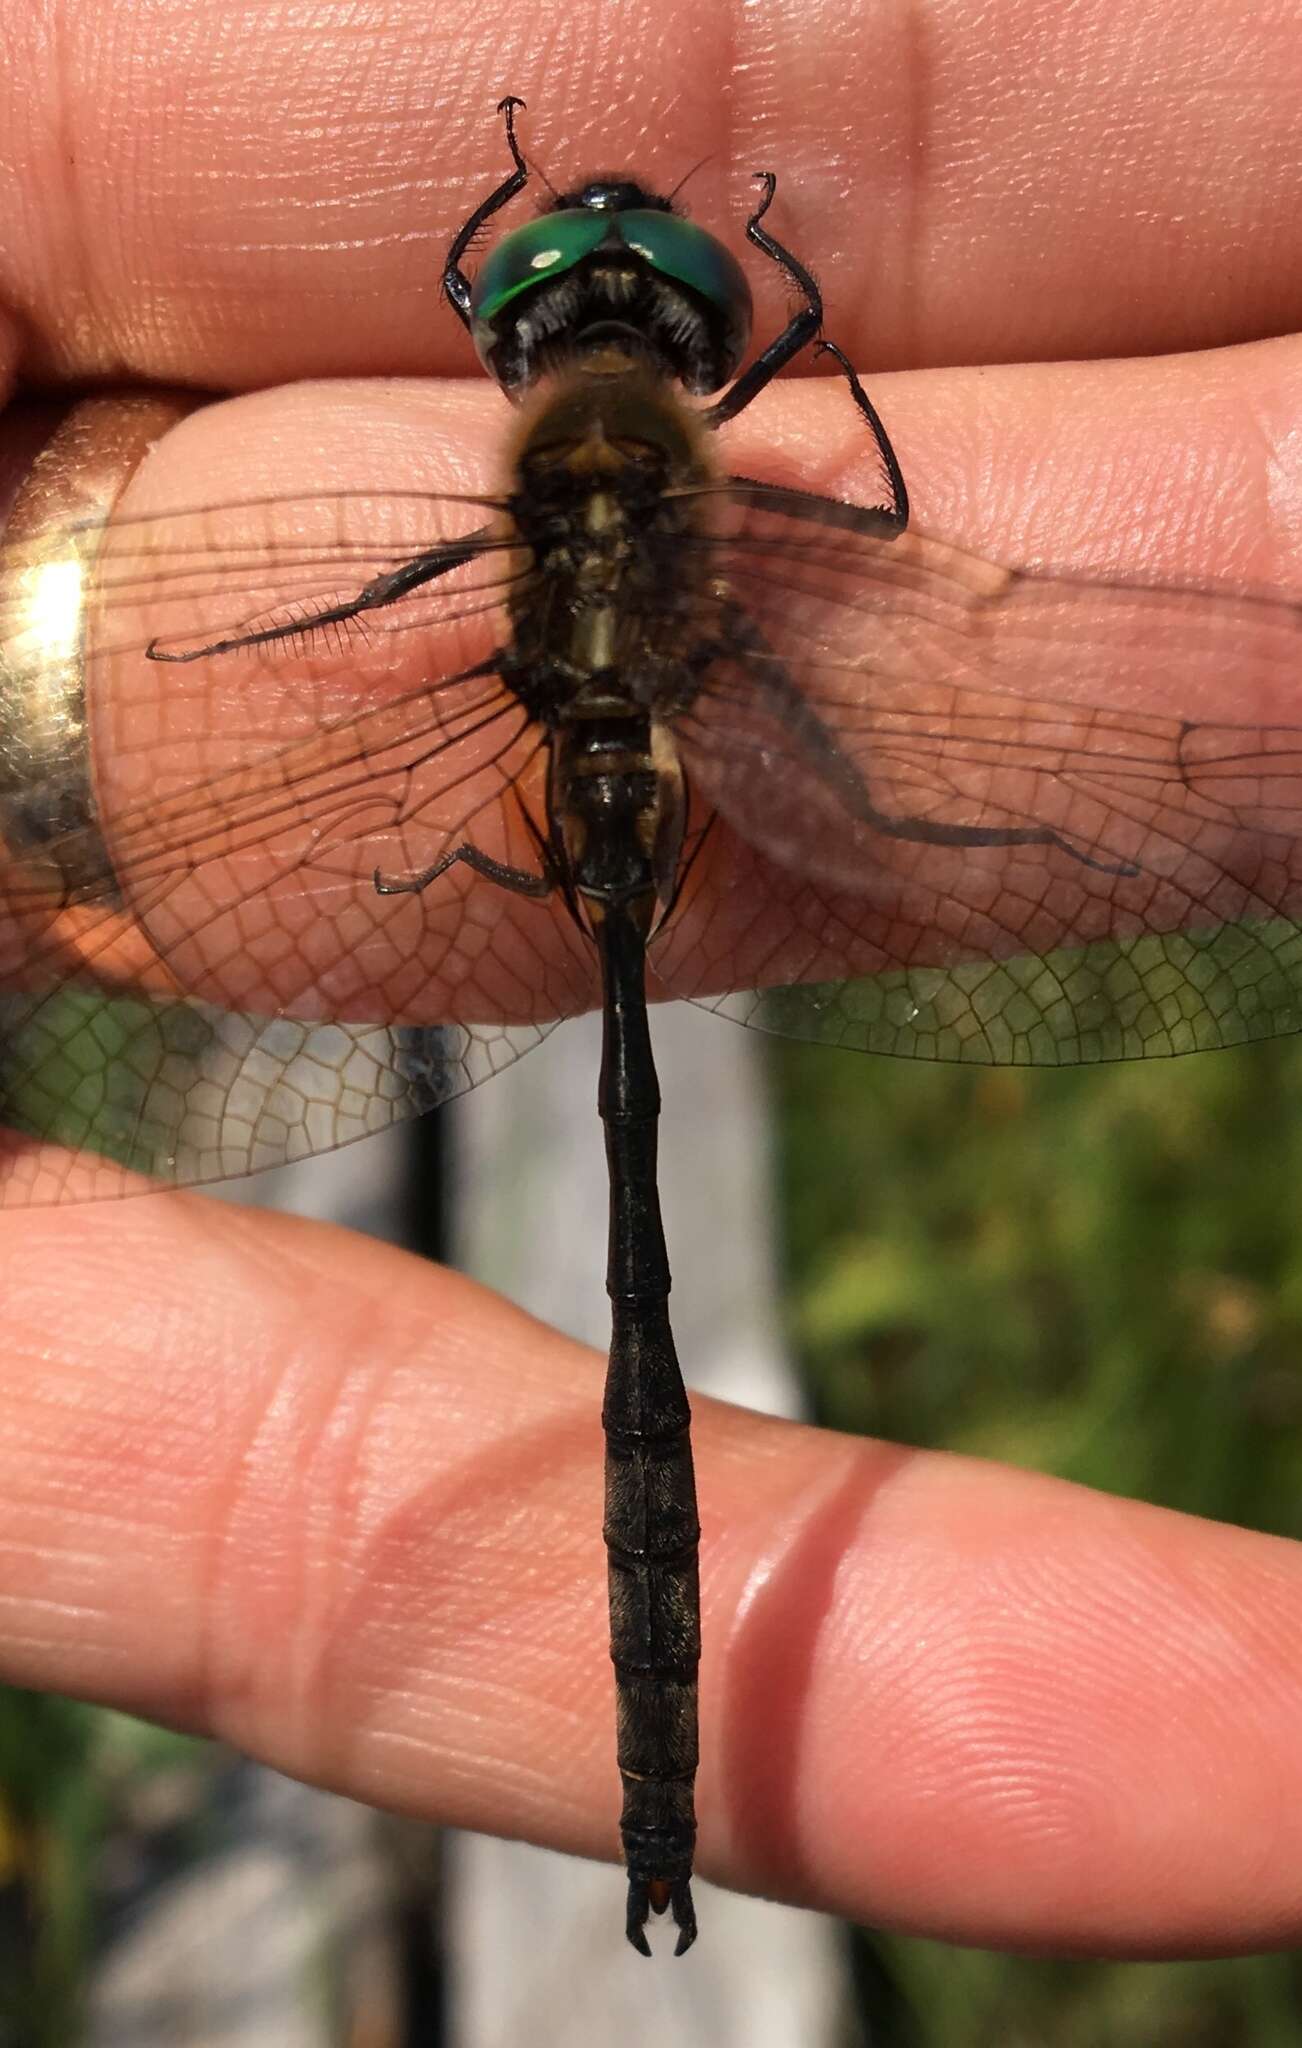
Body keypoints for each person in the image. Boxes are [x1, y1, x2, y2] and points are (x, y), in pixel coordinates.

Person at [1, 0, 1300, 1959]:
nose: (586, 283)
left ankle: (663, 1824)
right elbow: (856, 509)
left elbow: (408, 461)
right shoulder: (718, 454)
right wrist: (787, 289)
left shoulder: (507, 463)